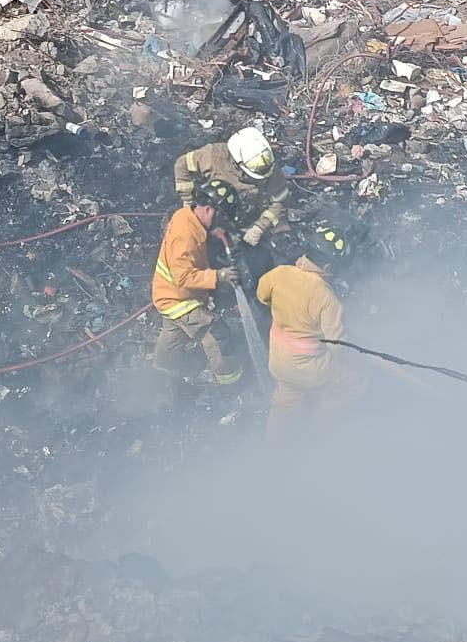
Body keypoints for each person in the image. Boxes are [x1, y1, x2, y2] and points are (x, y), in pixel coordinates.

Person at [256, 225, 363, 433]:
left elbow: (262, 296)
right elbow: (337, 344)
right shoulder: (326, 299)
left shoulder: (280, 273)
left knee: (286, 401)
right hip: (311, 369)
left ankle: (272, 445)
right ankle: (318, 430)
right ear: (328, 266)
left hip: (279, 363)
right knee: (354, 385)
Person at [151, 178, 243, 389]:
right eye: (221, 218)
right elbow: (184, 278)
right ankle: (231, 385)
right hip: (180, 300)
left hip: (167, 295)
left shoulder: (186, 216)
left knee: (171, 342)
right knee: (218, 337)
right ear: (210, 210)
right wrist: (218, 276)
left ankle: (161, 383)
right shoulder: (184, 237)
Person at [174, 127, 288, 250]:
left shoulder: (267, 168)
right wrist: (188, 200)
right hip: (208, 215)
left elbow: (280, 201)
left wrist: (259, 227)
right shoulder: (213, 156)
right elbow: (182, 164)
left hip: (245, 221)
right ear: (238, 164)